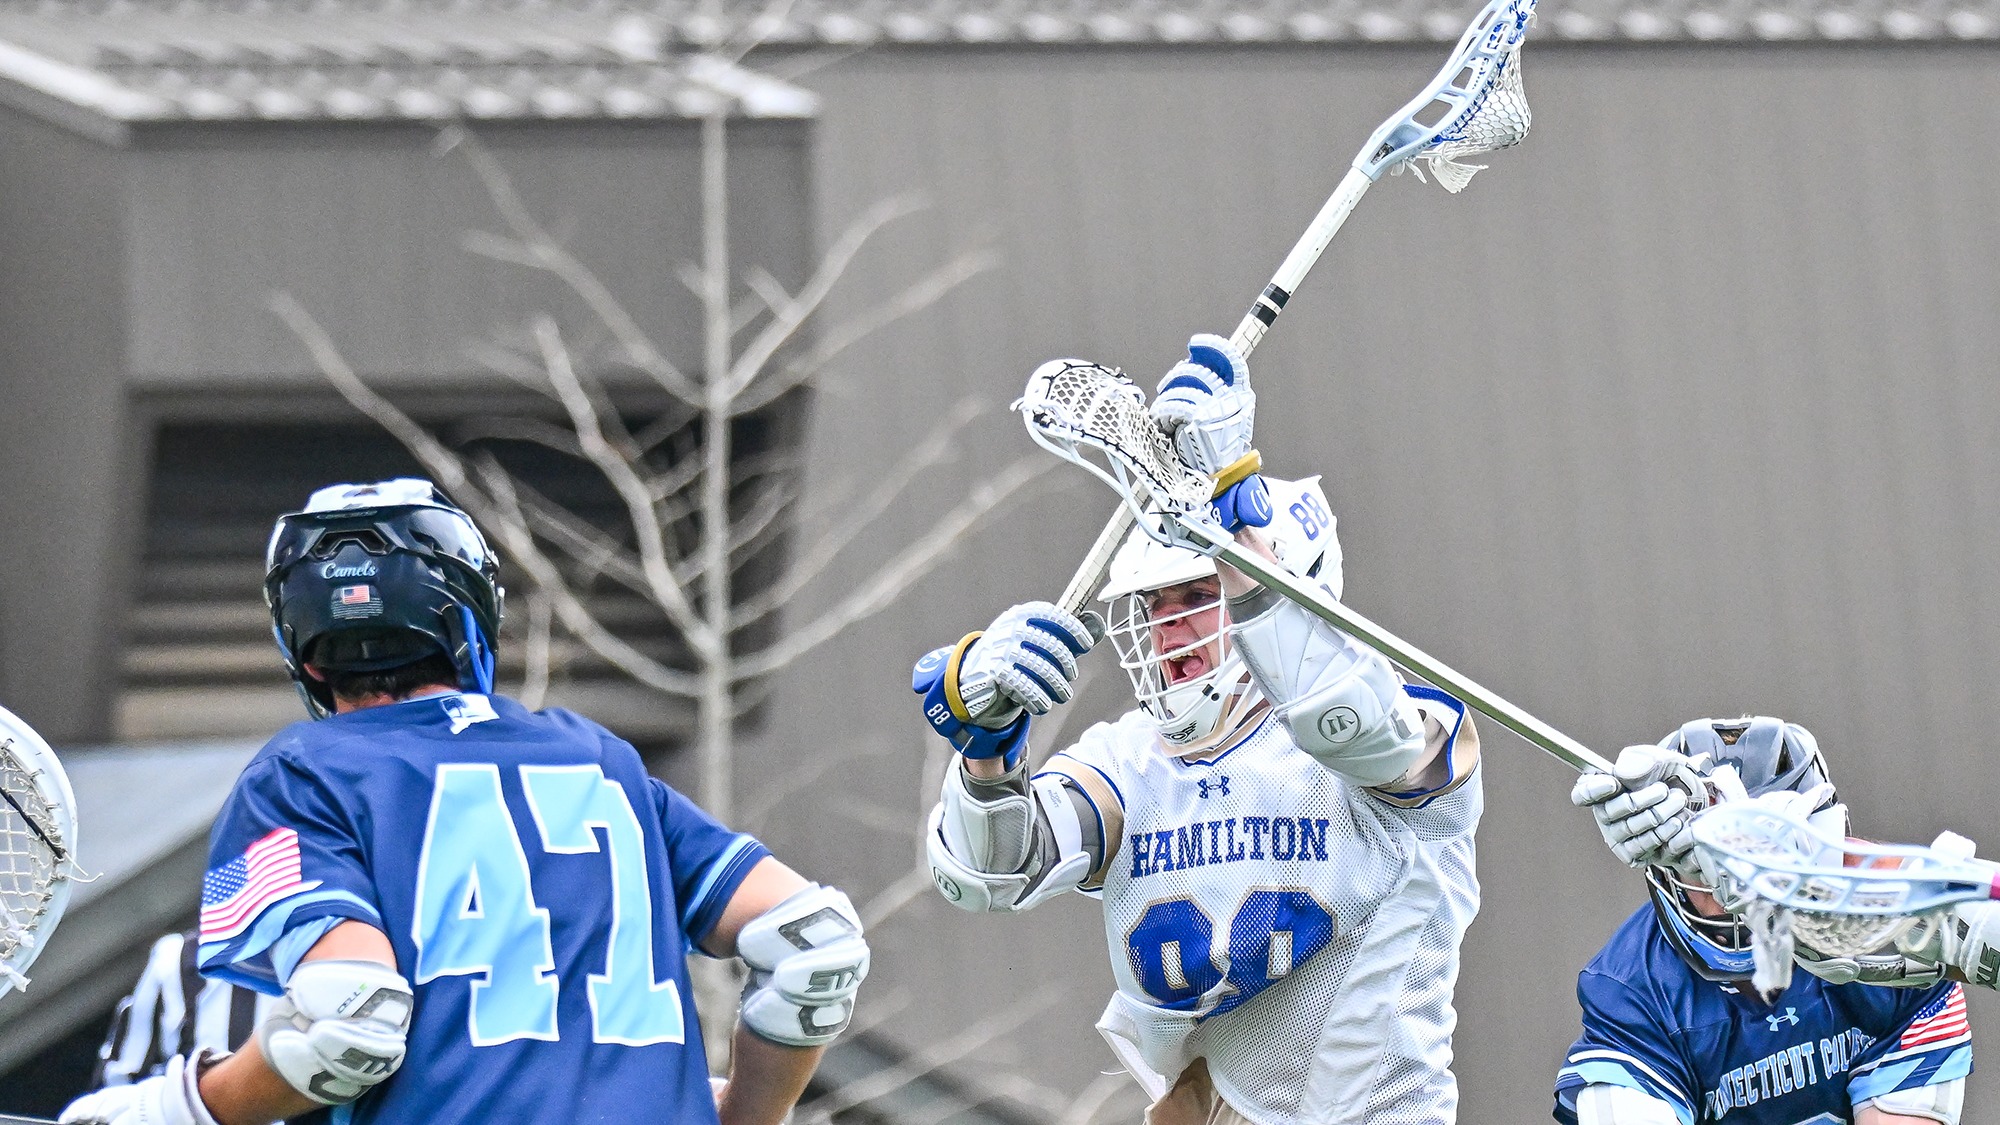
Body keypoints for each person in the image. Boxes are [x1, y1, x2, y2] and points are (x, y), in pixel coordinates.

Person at [61, 479, 869, 1125]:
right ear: (471, 614)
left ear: (304, 653)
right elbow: (815, 945)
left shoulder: (301, 774)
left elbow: (350, 1016)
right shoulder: (600, 759)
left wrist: (181, 1106)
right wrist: (745, 1115)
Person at [913, 335, 1483, 1124]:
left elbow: (1349, 722)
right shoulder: (1127, 761)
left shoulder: (1411, 727)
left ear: (1293, 577)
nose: (1168, 627)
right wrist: (985, 754)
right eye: (1155, 605)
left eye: (1194, 595)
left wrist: (1238, 544)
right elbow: (990, 872)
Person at [1558, 716, 1971, 1125]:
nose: (1733, 894)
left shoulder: (1897, 950)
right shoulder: (1632, 992)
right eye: (1705, 864)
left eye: (1763, 859)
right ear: (1664, 865)